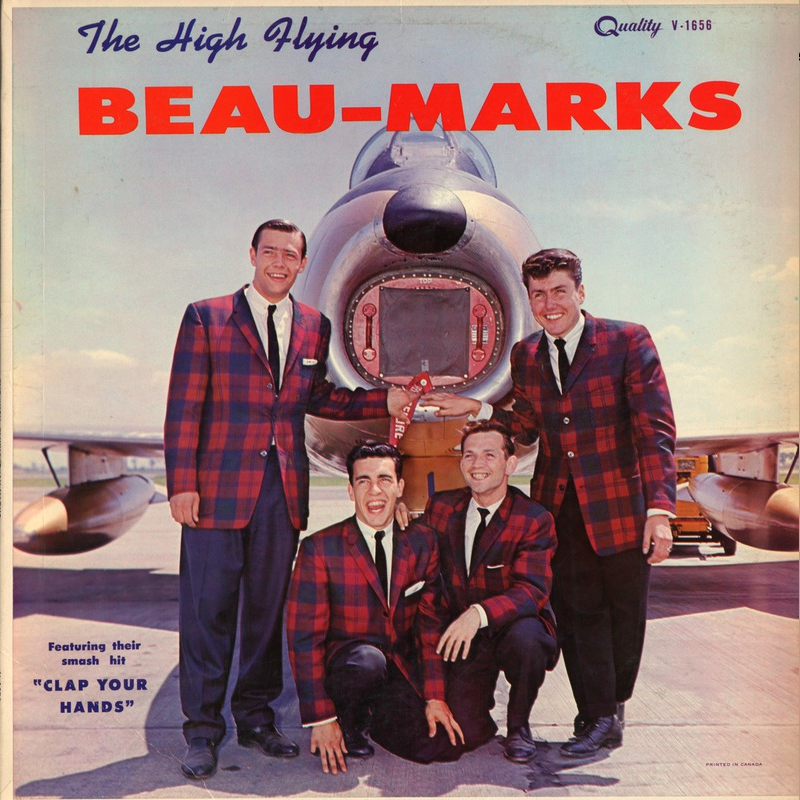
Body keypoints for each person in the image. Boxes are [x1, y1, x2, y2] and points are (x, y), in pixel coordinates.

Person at [164, 219, 411, 779]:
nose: (279, 263)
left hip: (281, 494)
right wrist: (182, 483)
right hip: (216, 494)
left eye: (290, 255)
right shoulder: (207, 317)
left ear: (302, 263)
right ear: (252, 254)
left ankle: (255, 720)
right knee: (207, 616)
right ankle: (202, 731)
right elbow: (184, 406)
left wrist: (385, 400)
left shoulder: (312, 325)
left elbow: (318, 396)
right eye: (270, 252)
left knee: (266, 615)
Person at [423, 248, 676, 758]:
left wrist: (660, 510)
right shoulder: (526, 354)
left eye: (559, 291)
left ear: (580, 292)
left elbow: (655, 430)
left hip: (620, 508)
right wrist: (478, 406)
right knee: (578, 618)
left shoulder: (627, 340)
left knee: (625, 616)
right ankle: (596, 715)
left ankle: (612, 707)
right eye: (538, 294)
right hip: (559, 508)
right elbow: (526, 426)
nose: (549, 303)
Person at [285, 442, 465, 774]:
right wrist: (321, 717)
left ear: (400, 487)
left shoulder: (423, 541)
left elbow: (430, 626)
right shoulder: (319, 549)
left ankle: (378, 716)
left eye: (384, 479)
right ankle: (348, 719)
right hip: (351, 666)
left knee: (440, 746)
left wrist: (435, 697)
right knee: (368, 661)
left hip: (398, 667)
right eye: (363, 481)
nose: (374, 490)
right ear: (350, 490)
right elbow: (304, 639)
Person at [423, 420, 558, 763]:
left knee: (529, 640)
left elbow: (531, 590)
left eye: (488, 455)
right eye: (469, 455)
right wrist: (397, 513)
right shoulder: (441, 507)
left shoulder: (533, 518)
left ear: (510, 464)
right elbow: (417, 552)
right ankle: (478, 703)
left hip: (512, 626)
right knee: (462, 734)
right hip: (465, 636)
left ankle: (519, 726)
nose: (477, 464)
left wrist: (478, 614)